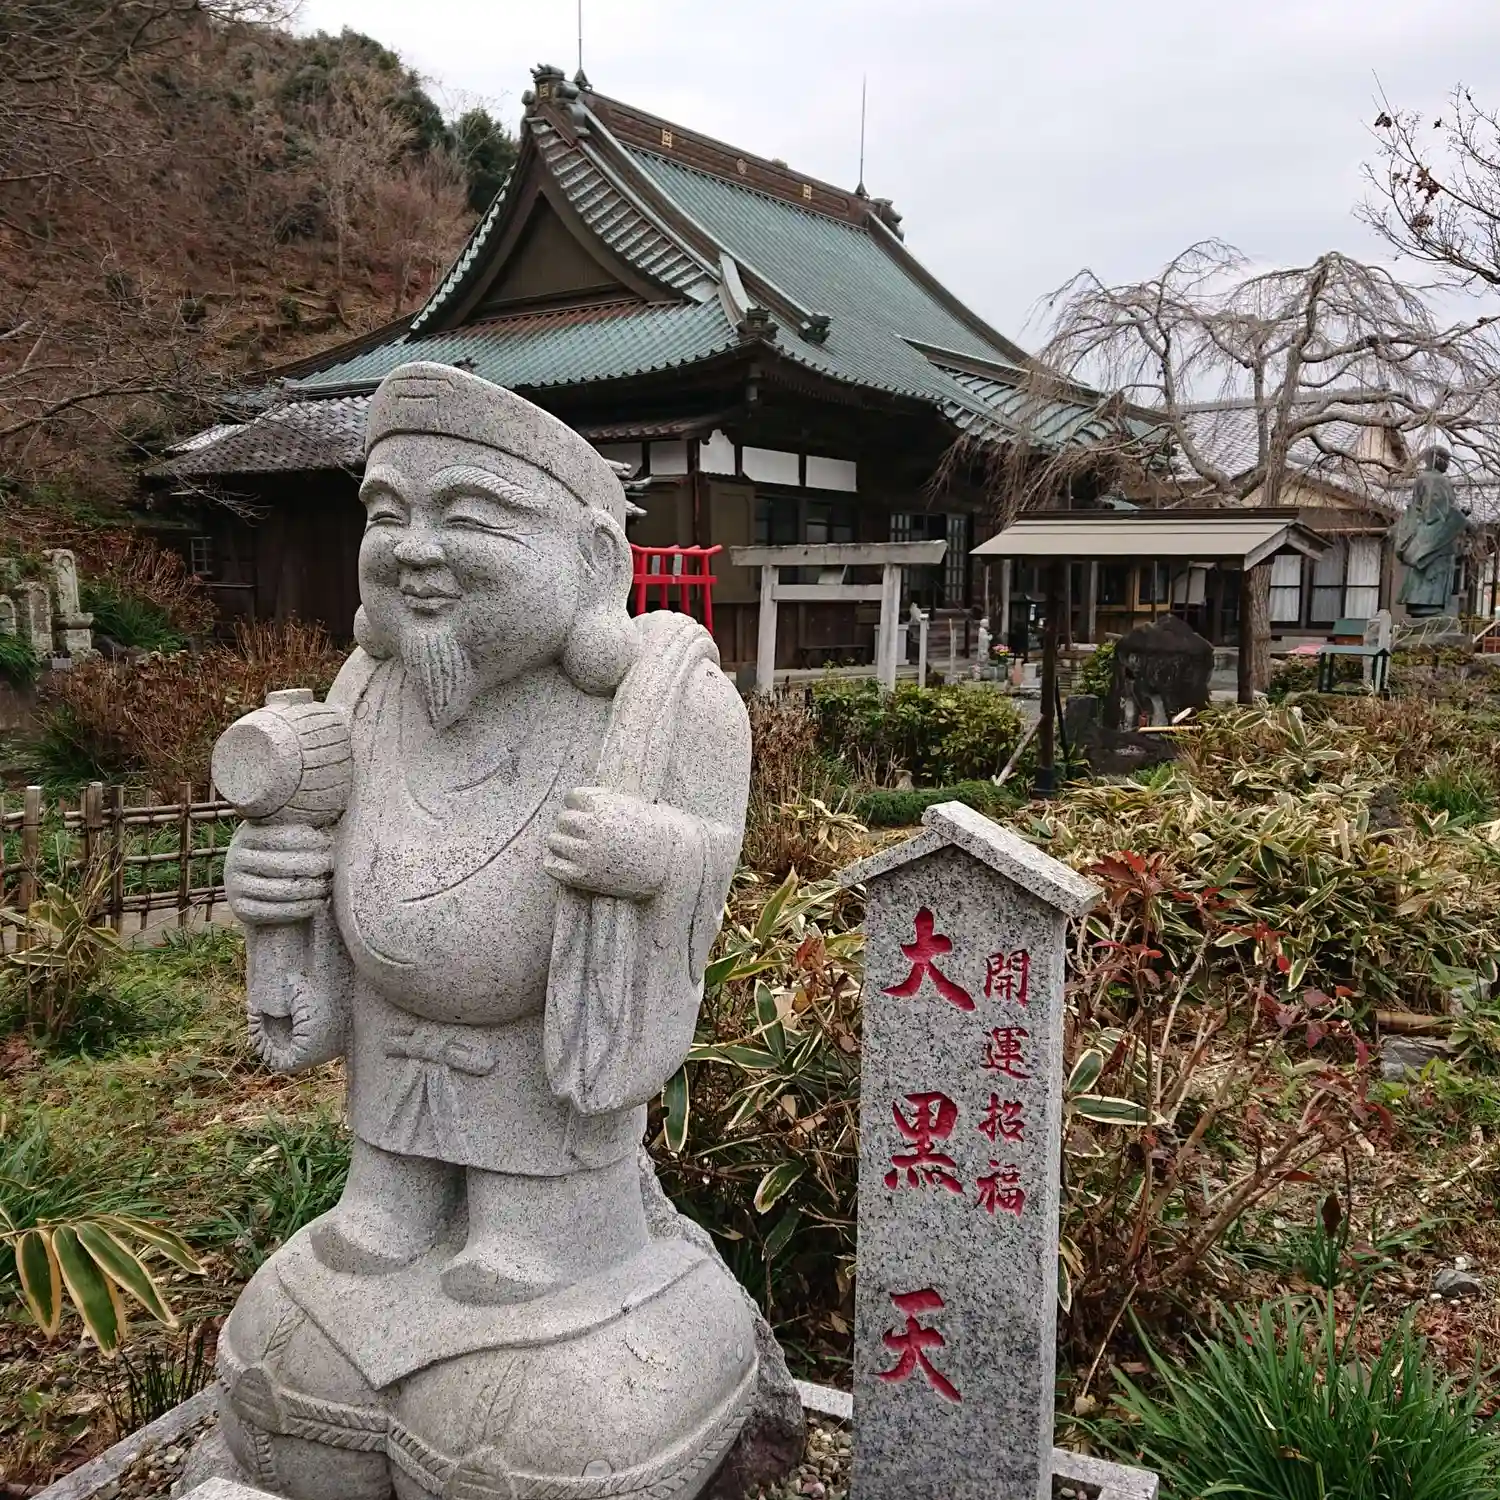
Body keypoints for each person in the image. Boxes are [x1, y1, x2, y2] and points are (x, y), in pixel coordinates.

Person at [1395, 448, 1467, 617]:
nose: (1447, 464)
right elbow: (1437, 510)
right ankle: (1428, 603)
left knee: (1423, 572)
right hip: (1435, 534)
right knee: (1433, 571)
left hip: (1422, 533)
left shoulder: (1422, 479)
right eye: (1445, 459)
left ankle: (1423, 603)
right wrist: (1460, 518)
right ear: (1436, 459)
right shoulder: (1437, 480)